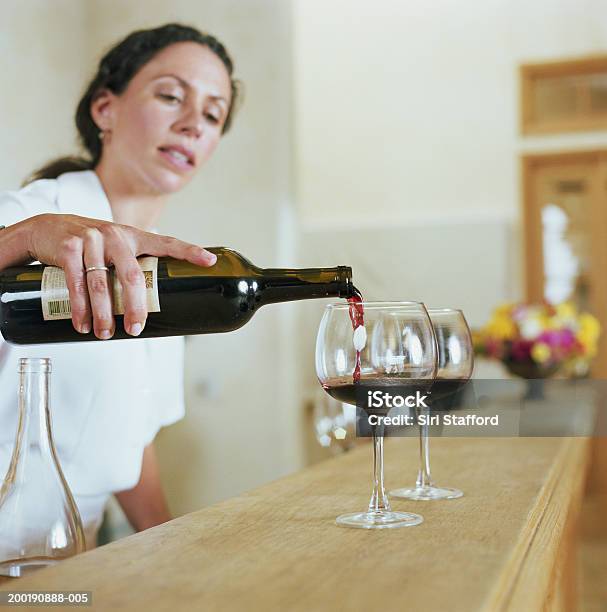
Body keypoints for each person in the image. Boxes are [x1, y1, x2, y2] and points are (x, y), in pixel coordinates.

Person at [0, 23, 240, 547]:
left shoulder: (162, 270)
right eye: (171, 95)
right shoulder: (28, 220)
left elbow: (132, 437)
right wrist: (26, 234)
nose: (192, 123)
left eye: (213, 113)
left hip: (73, 562)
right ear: (105, 109)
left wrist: (170, 550)